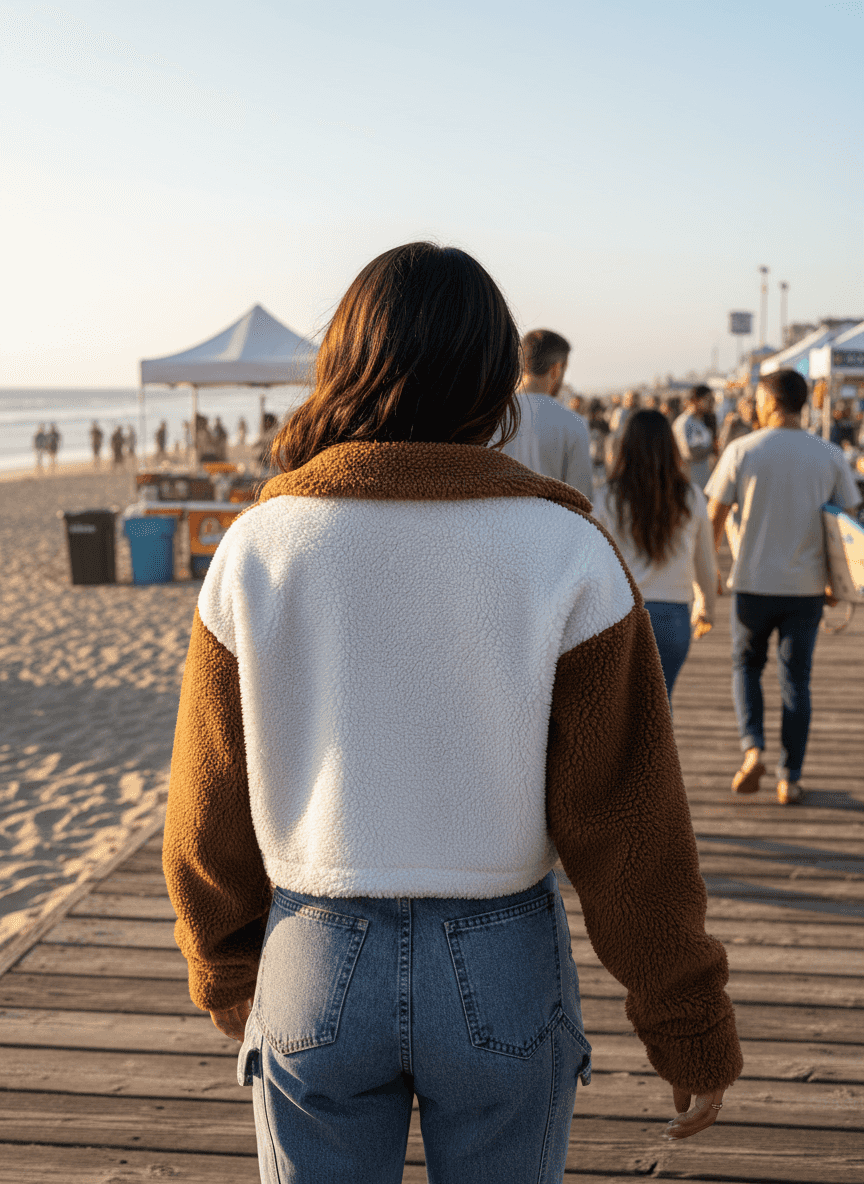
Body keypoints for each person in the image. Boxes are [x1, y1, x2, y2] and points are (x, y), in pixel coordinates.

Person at [163, 243, 741, 1183]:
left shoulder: (261, 544)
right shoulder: (566, 548)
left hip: (315, 947)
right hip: (501, 949)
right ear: (494, 375)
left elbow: (207, 794)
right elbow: (628, 824)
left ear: (343, 361)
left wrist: (222, 962)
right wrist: (687, 1021)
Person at [706, 369, 861, 805]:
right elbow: (848, 525)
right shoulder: (829, 455)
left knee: (746, 667)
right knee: (797, 681)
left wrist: (710, 573)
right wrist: (840, 584)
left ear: (771, 403)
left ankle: (752, 749)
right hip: (807, 588)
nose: (754, 406)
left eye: (757, 399)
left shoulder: (742, 450)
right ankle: (789, 778)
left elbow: (713, 519)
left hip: (752, 584)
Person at [594, 410, 716, 700]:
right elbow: (706, 564)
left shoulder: (608, 498)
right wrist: (707, 606)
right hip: (673, 616)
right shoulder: (690, 497)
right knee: (659, 707)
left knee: (621, 710)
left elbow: (593, 564)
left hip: (621, 614)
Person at [499, 329, 593, 499]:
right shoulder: (574, 424)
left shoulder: (492, 417)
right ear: (556, 369)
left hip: (496, 522)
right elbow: (581, 498)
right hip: (552, 523)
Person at [673, 385, 714, 489]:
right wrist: (712, 448)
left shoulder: (700, 421)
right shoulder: (685, 423)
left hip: (703, 480)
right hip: (691, 482)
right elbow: (689, 453)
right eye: (708, 399)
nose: (711, 403)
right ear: (696, 400)